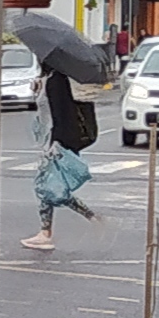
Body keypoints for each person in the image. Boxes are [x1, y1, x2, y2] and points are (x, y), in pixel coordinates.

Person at [20, 72, 96, 252]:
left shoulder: (57, 81)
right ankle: (93, 219)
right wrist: (38, 90)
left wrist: (57, 144)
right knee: (52, 188)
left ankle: (45, 234)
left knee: (44, 187)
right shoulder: (51, 80)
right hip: (51, 141)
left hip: (56, 143)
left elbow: (62, 114)